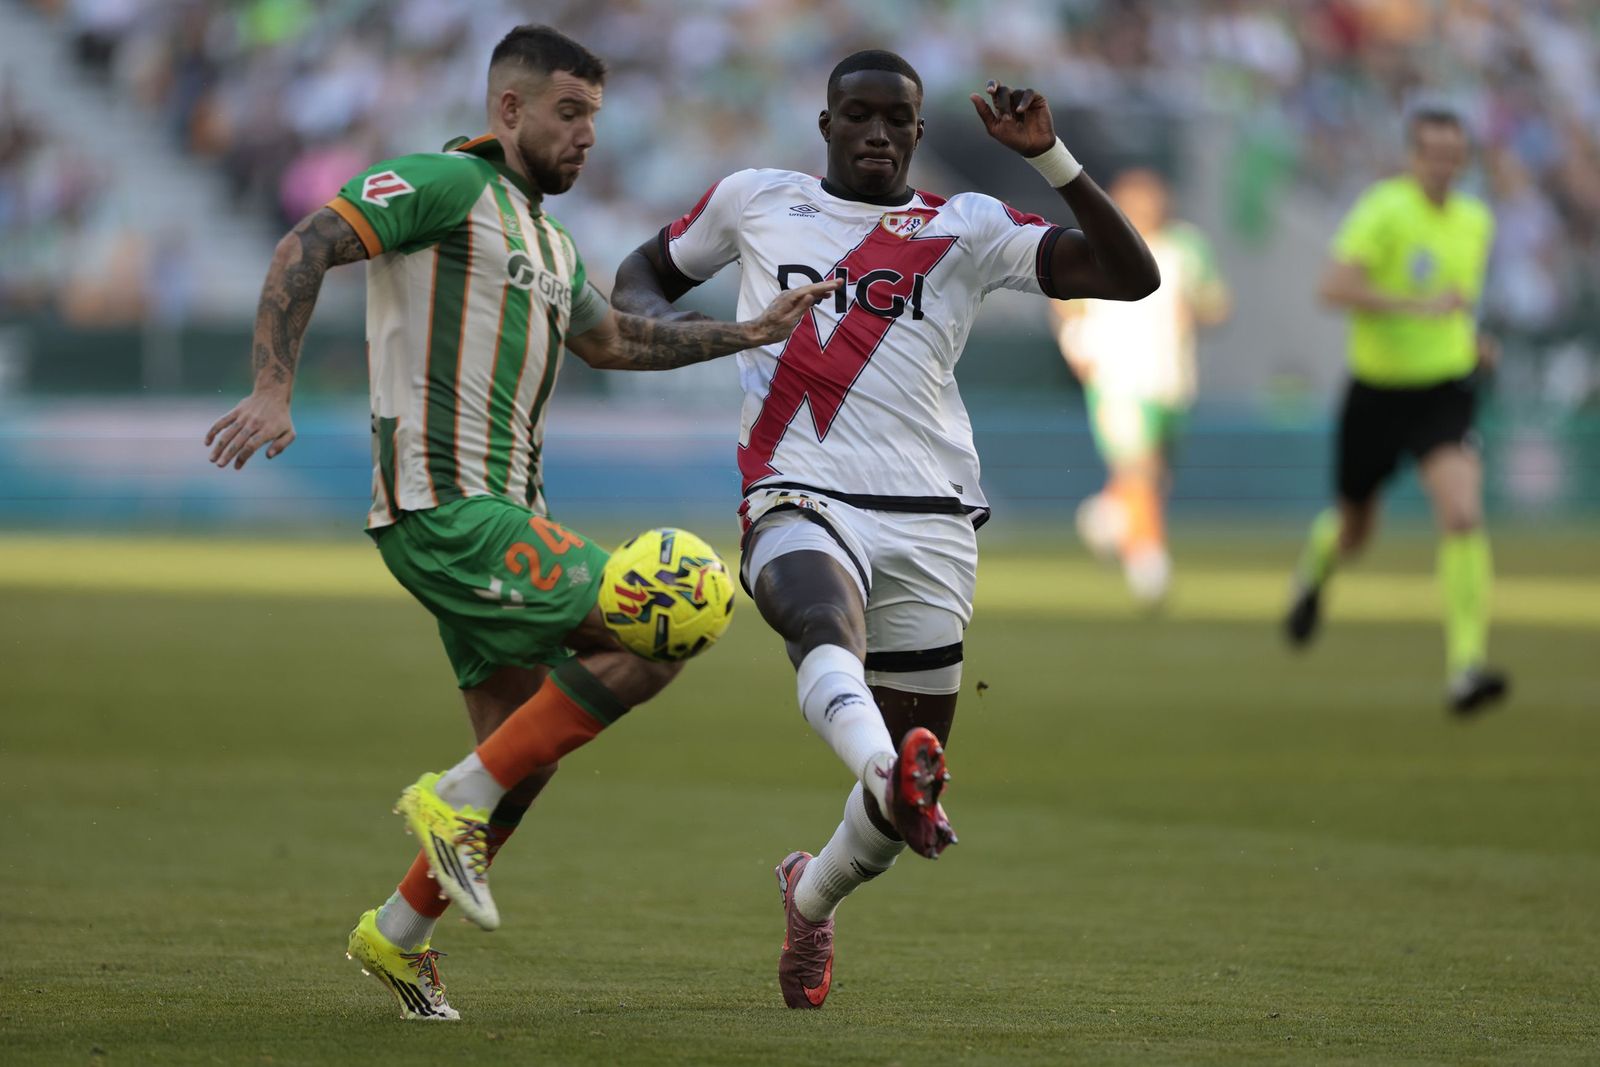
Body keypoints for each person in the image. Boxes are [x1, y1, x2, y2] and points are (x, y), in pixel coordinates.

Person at [204, 25, 835, 1021]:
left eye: (595, 115)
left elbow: (616, 339)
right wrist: (273, 385)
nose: (587, 134)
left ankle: (398, 932)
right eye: (568, 112)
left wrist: (749, 332)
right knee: (674, 610)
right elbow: (308, 242)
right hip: (449, 505)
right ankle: (451, 791)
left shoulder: (545, 239)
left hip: (501, 517)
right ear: (508, 111)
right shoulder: (446, 186)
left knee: (522, 763)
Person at [612, 50, 1157, 1009]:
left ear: (915, 131)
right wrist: (702, 335)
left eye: (894, 119)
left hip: (934, 519)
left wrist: (1053, 157)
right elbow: (641, 278)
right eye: (855, 115)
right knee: (821, 622)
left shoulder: (967, 226)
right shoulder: (754, 199)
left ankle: (811, 892)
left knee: (891, 826)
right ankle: (885, 767)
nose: (874, 132)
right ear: (824, 124)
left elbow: (1129, 275)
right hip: (797, 487)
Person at [1284, 106, 1508, 715]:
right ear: (1413, 157)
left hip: (1444, 391)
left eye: (1454, 157)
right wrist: (1411, 306)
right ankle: (1315, 572)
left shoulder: (1475, 221)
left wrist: (1474, 342)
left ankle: (1466, 668)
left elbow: (1458, 305)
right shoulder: (1384, 209)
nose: (1444, 167)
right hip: (1378, 393)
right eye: (1433, 154)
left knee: (1462, 514)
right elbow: (1332, 287)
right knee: (1356, 529)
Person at [1050, 168, 1231, 604]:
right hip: (1118, 377)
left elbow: (1216, 305)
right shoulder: (1098, 244)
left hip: (1171, 379)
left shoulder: (1187, 247)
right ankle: (1148, 562)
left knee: (1155, 475)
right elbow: (1064, 303)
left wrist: (1198, 310)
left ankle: (1107, 517)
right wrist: (1077, 348)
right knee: (1139, 471)